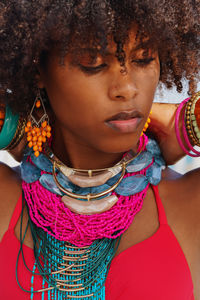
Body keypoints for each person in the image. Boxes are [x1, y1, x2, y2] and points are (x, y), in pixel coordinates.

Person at [0, 1, 199, 299]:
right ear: (37, 67)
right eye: (93, 63)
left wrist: (189, 121)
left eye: (144, 59)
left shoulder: (191, 204)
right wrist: (12, 125)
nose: (127, 88)